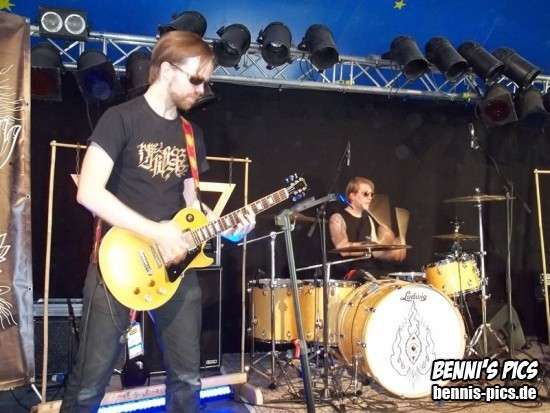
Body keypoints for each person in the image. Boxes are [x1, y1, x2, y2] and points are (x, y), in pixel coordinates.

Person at [60, 31, 255, 413]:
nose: (201, 89)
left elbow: (192, 205)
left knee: (187, 378)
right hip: (117, 263)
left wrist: (227, 228)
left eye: (206, 81)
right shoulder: (119, 119)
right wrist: (157, 232)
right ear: (166, 70)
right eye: (196, 79)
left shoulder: (191, 135)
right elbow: (89, 193)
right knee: (89, 383)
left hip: (175, 268)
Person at [328, 176, 406, 281]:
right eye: (365, 194)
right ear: (352, 196)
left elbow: (376, 253)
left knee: (396, 282)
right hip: (348, 274)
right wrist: (372, 245)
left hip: (369, 271)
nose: (370, 198)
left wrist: (393, 253)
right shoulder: (338, 217)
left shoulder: (368, 219)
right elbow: (342, 248)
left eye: (371, 194)